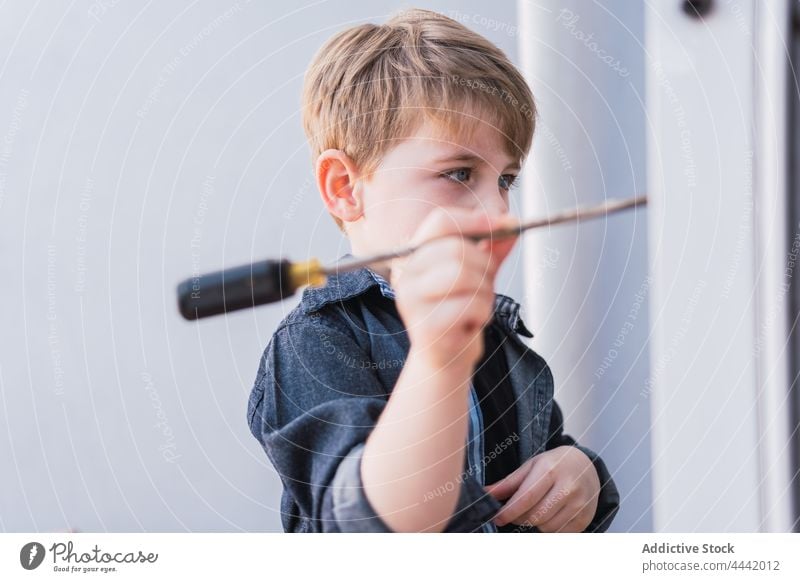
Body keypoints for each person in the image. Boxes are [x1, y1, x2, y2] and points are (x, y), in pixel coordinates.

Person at [247, 7, 619, 533]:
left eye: (505, 180)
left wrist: (583, 477)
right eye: (458, 173)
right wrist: (440, 359)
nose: (498, 213)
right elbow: (371, 528)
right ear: (345, 188)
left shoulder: (495, 339)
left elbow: (552, 461)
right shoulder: (317, 343)